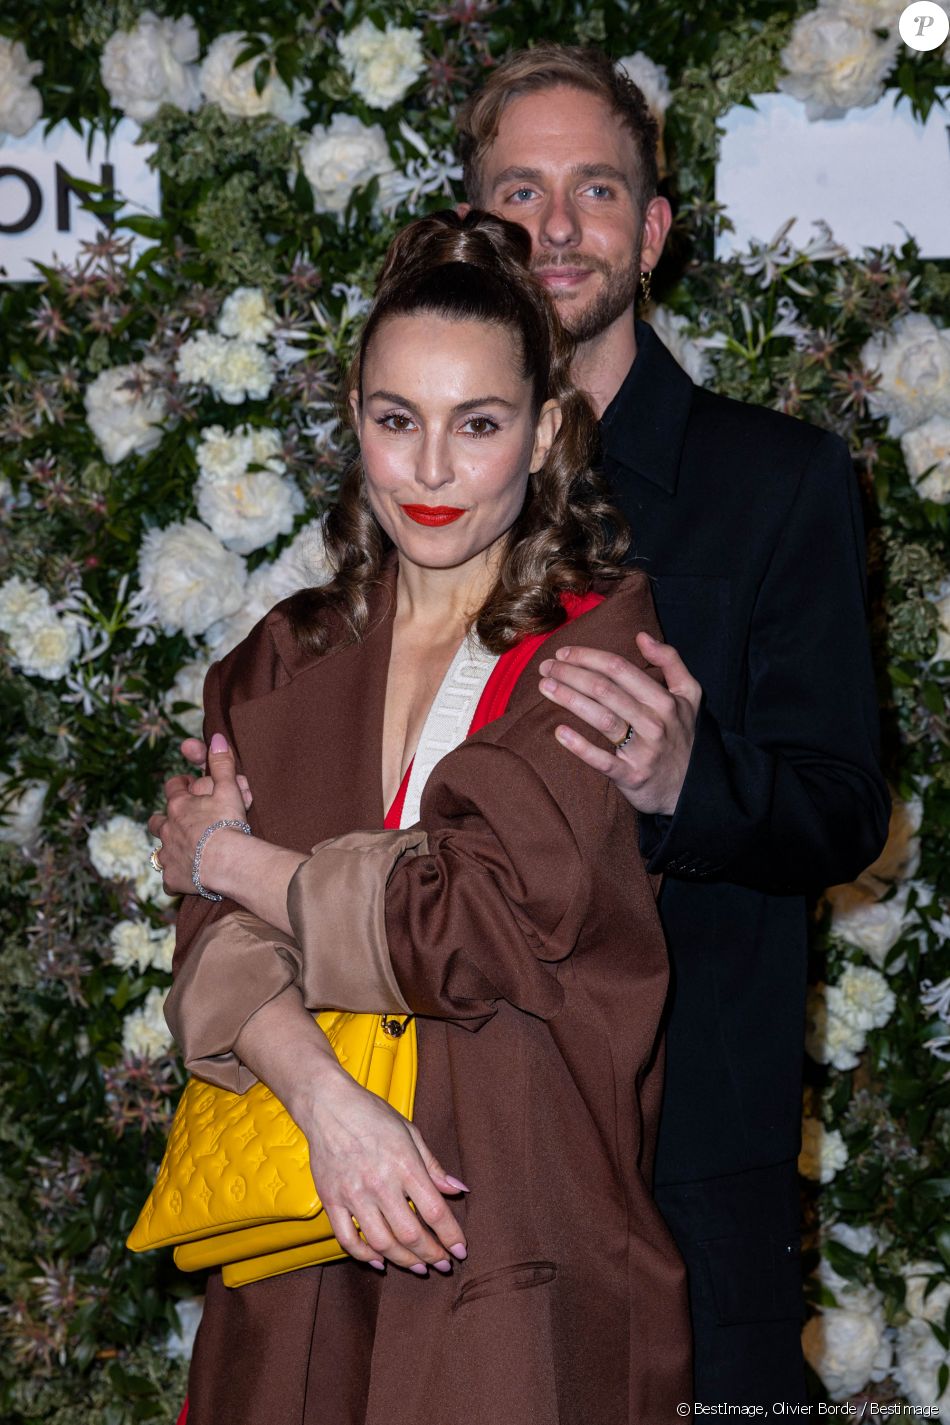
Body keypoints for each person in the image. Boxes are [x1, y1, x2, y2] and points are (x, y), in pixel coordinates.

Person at [151, 209, 691, 1424]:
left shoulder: (598, 649)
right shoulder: (277, 661)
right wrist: (331, 1108)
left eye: (479, 425)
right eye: (397, 423)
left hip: (509, 1227)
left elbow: (471, 922)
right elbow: (211, 953)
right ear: (356, 420)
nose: (432, 471)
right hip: (298, 1235)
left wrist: (230, 855)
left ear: (546, 431)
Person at [447, 44, 889, 1409]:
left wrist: (688, 774)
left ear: (651, 230)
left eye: (594, 190)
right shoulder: (423, 478)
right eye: (519, 190)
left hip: (690, 1152)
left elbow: (841, 807)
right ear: (473, 227)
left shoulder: (779, 482)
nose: (556, 225)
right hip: (452, 1146)